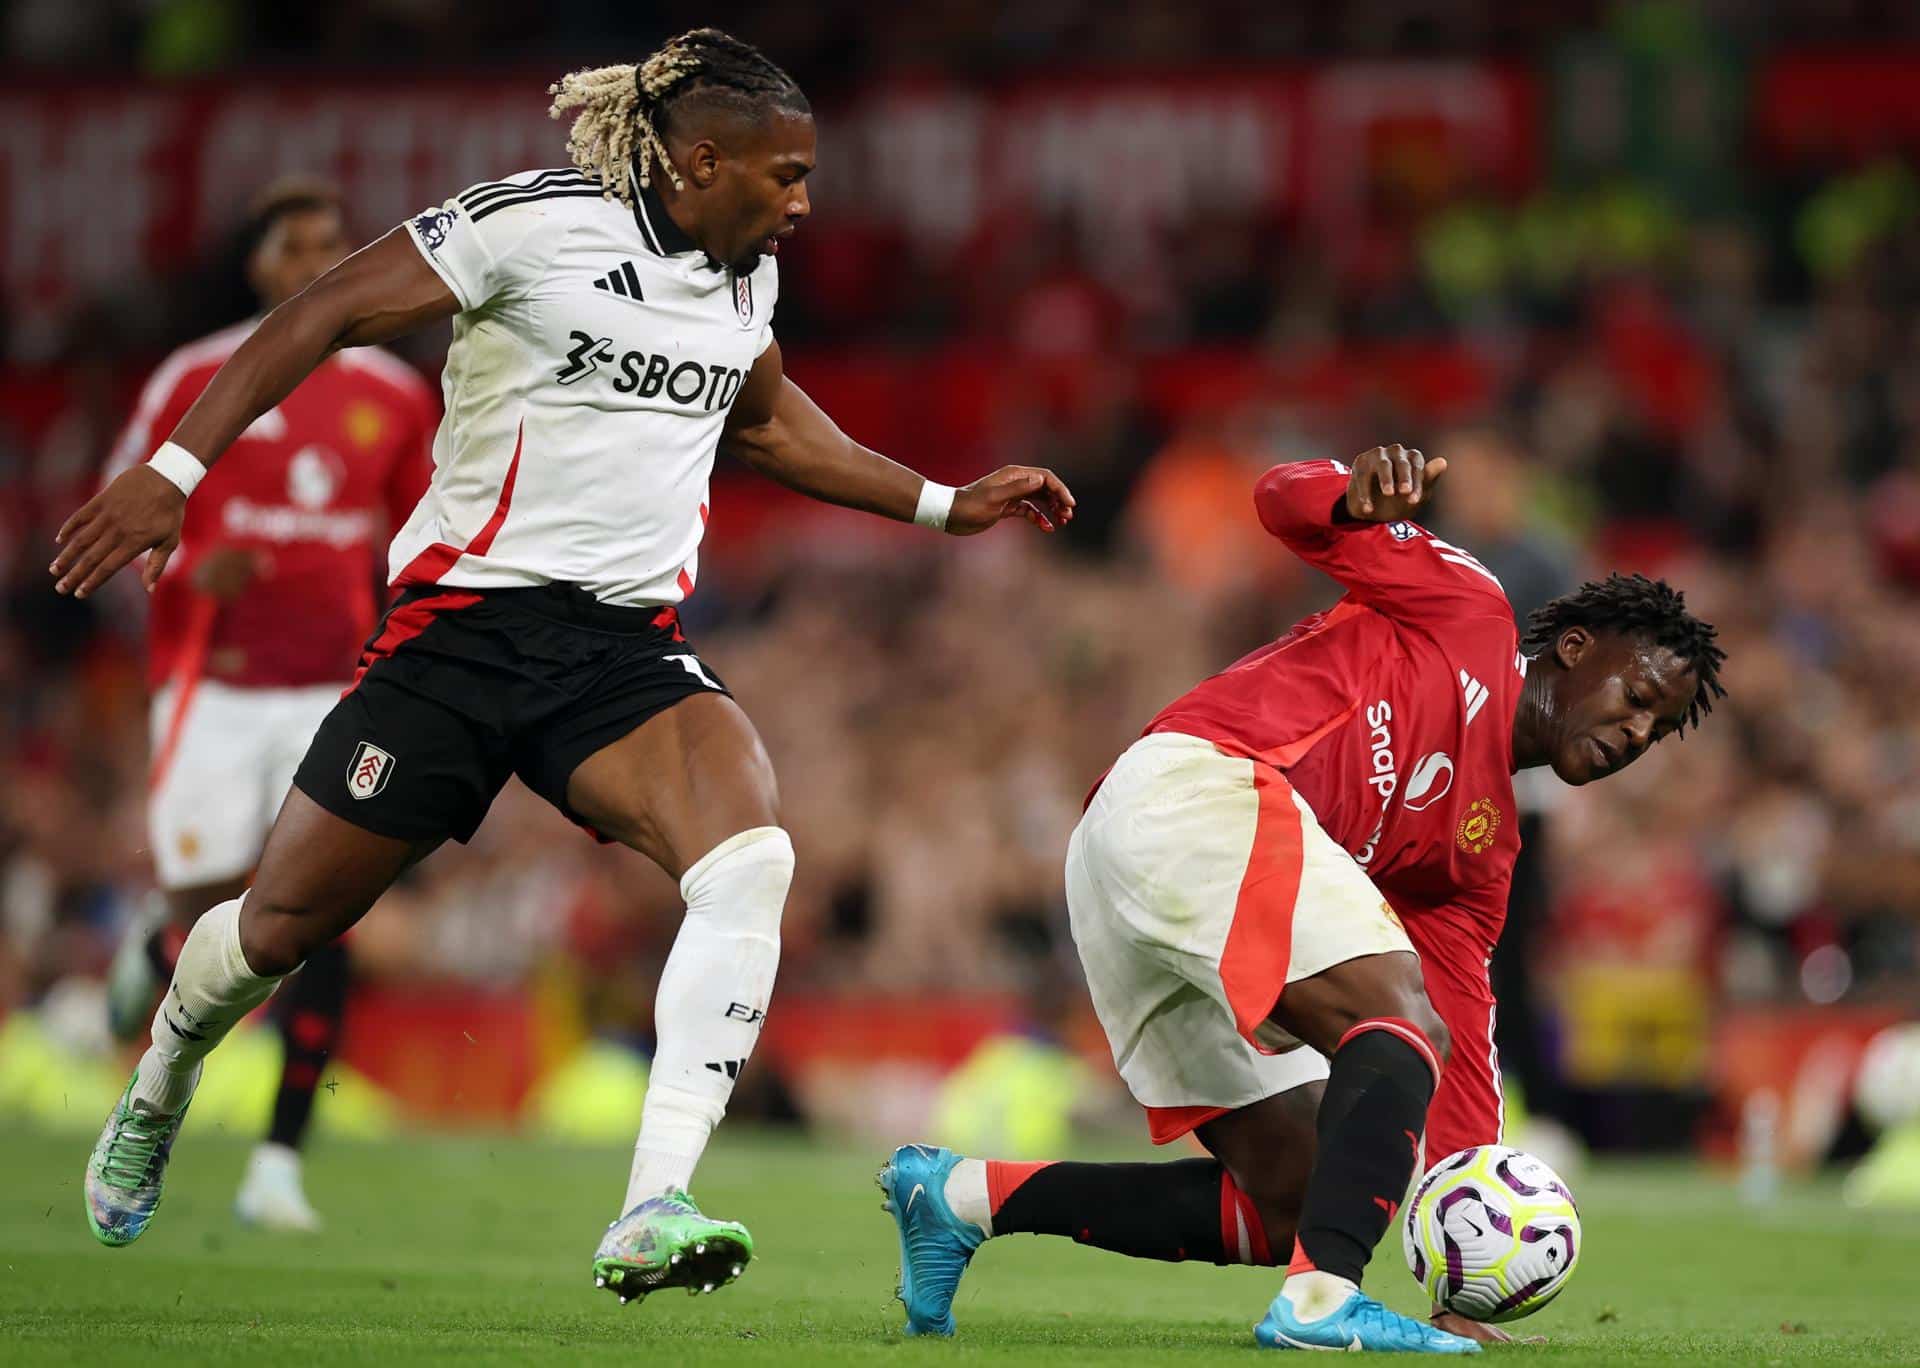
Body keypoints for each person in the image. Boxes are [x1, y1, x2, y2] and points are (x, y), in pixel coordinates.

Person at [51, 27, 1074, 1302]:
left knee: (752, 860)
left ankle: (653, 1203)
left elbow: (764, 424)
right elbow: (323, 311)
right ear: (701, 159)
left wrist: (939, 502)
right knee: (273, 933)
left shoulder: (742, 272)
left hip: (622, 650)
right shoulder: (527, 227)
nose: (806, 202)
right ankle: (160, 1083)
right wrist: (173, 474)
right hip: (459, 639)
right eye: (787, 174)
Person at [880, 445, 1723, 1353]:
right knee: (1392, 1021)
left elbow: (1463, 1049)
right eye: (1636, 696)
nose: (1636, 732)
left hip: (1140, 867)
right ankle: (1321, 1304)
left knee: (1295, 1192)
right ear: (1574, 648)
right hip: (1203, 787)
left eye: (1658, 728)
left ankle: (960, 1199)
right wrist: (1351, 497)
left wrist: (1461, 1273)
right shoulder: (1469, 611)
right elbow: (1281, 499)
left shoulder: (1483, 851)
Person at [99, 176, 436, 1233]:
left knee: (315, 913)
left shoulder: (393, 392)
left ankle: (278, 1164)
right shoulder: (197, 379)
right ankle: (150, 952)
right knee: (203, 909)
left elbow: (420, 533)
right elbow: (124, 509)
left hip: (332, 693)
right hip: (217, 687)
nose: (318, 263)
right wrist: (196, 562)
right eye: (297, 247)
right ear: (258, 264)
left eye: (334, 245)